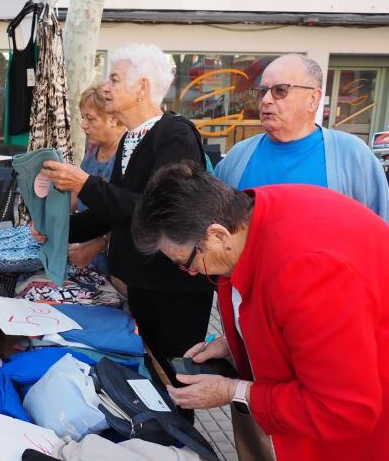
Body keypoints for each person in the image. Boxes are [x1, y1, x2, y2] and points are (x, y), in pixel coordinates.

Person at [131, 161, 389, 461]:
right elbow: (291, 321)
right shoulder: (246, 215)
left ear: (218, 236)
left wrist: (233, 391)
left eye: (185, 262)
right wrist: (235, 343)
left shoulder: (308, 272)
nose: (189, 272)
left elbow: (344, 408)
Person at [32, 44, 214, 396]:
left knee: (174, 382)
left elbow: (159, 209)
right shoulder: (132, 138)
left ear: (142, 87)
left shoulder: (175, 134)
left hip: (174, 288)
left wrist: (85, 184)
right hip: (143, 284)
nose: (106, 87)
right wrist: (57, 229)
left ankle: (174, 432)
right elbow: (112, 214)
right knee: (148, 374)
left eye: (114, 79)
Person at [215, 53, 389, 221]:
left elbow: (380, 230)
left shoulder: (353, 157)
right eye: (262, 91)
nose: (266, 100)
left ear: (313, 99)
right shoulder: (236, 157)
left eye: (280, 90)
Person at [68, 84, 126, 274]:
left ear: (113, 118)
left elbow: (125, 212)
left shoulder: (127, 155)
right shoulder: (93, 148)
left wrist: (99, 244)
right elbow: (77, 196)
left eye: (90, 118)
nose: (83, 124)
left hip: (115, 262)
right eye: (83, 117)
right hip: (87, 256)